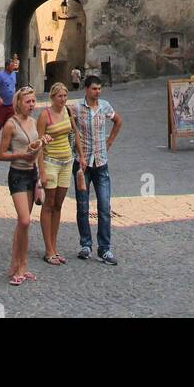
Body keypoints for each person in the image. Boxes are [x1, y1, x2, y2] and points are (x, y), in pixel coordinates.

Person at [71, 74, 122, 265]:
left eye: (99, 89)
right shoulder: (76, 107)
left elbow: (118, 121)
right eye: (94, 88)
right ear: (86, 89)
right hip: (82, 164)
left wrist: (109, 141)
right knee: (82, 206)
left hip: (101, 162)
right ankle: (85, 244)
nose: (97, 92)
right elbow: (66, 121)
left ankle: (105, 248)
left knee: (104, 206)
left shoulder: (105, 106)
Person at [0, 85, 43, 286]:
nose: (32, 105)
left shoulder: (34, 122)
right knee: (24, 221)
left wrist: (43, 144)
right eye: (28, 102)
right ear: (19, 103)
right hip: (17, 174)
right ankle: (16, 264)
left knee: (23, 224)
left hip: (32, 174)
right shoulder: (10, 124)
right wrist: (22, 155)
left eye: (33, 101)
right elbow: (2, 154)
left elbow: (37, 149)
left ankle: (19, 266)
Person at [37, 82, 85, 265]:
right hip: (51, 163)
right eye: (60, 96)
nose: (63, 99)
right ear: (52, 97)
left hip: (67, 162)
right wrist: (41, 170)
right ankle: (48, 249)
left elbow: (75, 133)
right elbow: (39, 145)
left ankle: (54, 246)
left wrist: (80, 155)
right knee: (48, 204)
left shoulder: (68, 111)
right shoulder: (44, 116)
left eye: (65, 96)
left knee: (58, 204)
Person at [0, 54, 20, 148]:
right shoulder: (0, 75)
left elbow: (14, 87)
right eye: (12, 66)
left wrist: (16, 98)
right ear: (7, 66)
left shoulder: (14, 74)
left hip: (11, 104)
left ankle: (9, 143)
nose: (13, 68)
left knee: (11, 124)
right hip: (2, 104)